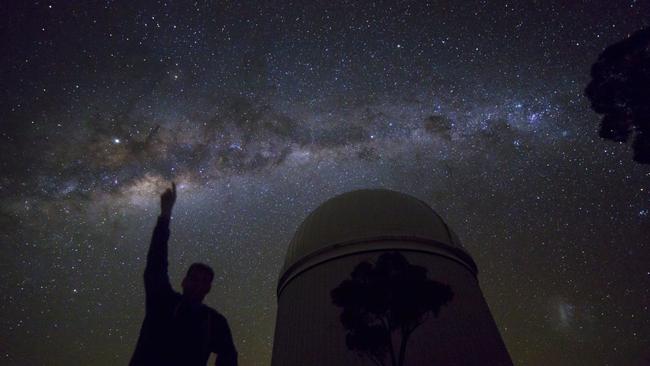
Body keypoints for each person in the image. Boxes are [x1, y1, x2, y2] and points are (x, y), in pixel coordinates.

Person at [130, 183, 238, 366]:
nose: (198, 284)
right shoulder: (162, 301)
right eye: (194, 279)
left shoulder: (213, 322)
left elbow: (229, 355)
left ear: (208, 288)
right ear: (184, 281)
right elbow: (156, 264)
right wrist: (165, 216)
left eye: (203, 282)